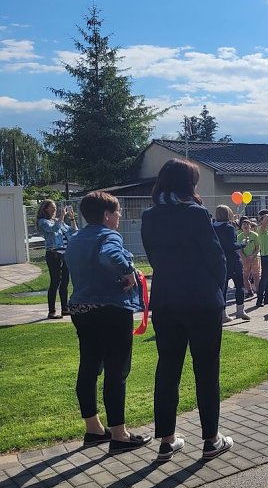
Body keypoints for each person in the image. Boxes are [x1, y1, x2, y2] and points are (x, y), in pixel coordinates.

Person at [141, 158, 232, 462]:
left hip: (166, 300)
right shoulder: (196, 214)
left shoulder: (150, 216)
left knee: (167, 369)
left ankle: (167, 440)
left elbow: (154, 257)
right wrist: (216, 292)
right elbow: (216, 258)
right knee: (206, 371)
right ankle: (211, 439)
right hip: (201, 300)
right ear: (187, 185)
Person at [65, 191, 151, 454]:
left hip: (81, 308)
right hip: (110, 309)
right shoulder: (108, 236)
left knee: (89, 366)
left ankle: (93, 429)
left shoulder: (76, 238)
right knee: (117, 369)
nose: (120, 216)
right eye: (117, 212)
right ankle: (119, 434)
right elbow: (109, 256)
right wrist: (128, 271)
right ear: (106, 215)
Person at [36, 200, 78, 319]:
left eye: (55, 208)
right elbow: (54, 229)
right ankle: (52, 311)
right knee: (55, 282)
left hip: (65, 254)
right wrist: (62, 216)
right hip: (54, 254)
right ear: (45, 209)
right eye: (52, 208)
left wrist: (71, 218)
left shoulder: (57, 221)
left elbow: (74, 232)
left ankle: (65, 309)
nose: (55, 210)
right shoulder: (43, 222)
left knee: (64, 282)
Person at [213, 206, 249, 322]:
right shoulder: (229, 227)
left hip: (219, 260)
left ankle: (223, 314)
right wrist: (242, 244)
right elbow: (231, 246)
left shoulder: (212, 227)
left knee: (223, 288)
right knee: (239, 285)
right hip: (232, 261)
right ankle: (240, 310)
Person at [238, 218, 260, 299]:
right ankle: (249, 291)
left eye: (248, 224)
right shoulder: (240, 236)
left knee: (256, 276)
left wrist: (252, 256)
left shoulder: (255, 235)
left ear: (250, 226)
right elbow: (239, 249)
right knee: (245, 276)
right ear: (241, 227)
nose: (246, 226)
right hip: (245, 259)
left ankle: (258, 291)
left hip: (254, 258)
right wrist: (244, 257)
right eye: (244, 224)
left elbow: (257, 248)